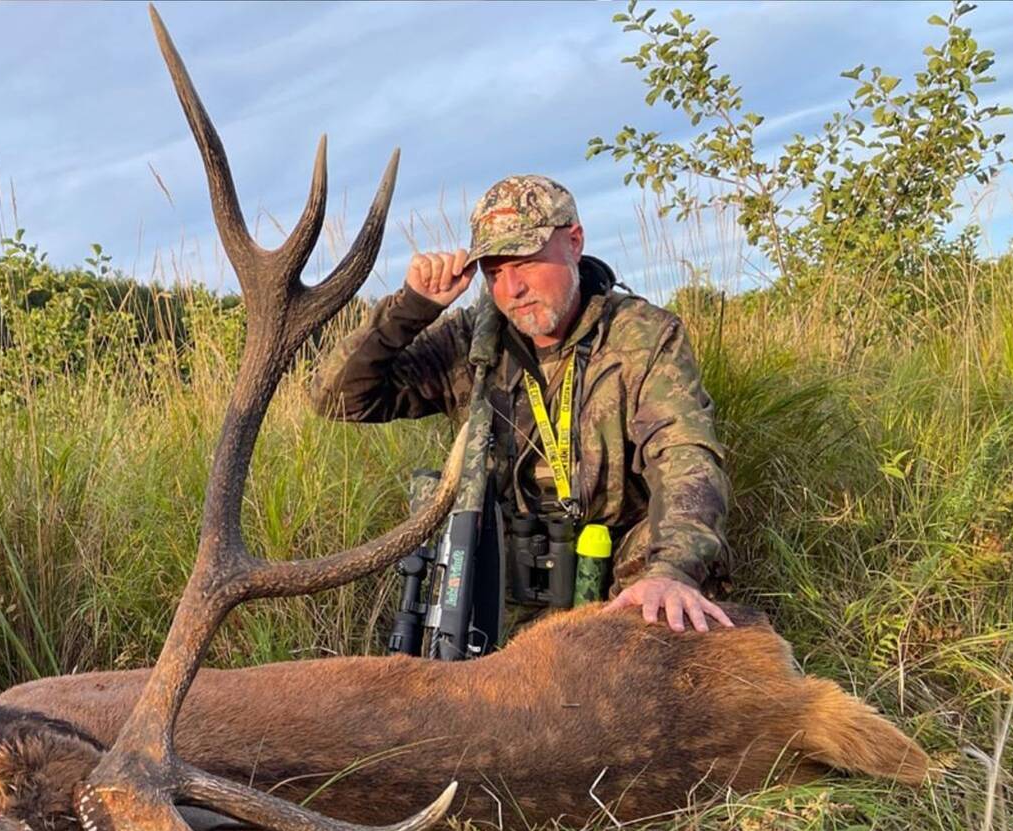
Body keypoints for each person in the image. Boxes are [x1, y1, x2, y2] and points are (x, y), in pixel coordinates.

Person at [313, 175, 733, 634]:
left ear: (574, 242)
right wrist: (411, 309)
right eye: (494, 272)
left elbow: (685, 455)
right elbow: (339, 398)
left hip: (615, 579)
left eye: (527, 262)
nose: (511, 289)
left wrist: (671, 572)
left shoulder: (643, 336)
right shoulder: (470, 341)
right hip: (499, 575)